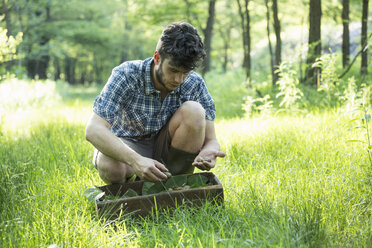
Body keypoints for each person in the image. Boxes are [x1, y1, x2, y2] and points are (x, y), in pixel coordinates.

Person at [85, 21, 225, 183]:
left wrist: (209, 150)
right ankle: (132, 190)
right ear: (157, 58)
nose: (179, 79)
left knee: (195, 110)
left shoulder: (194, 83)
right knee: (111, 166)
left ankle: (174, 186)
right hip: (128, 145)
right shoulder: (127, 74)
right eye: (173, 70)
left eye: (185, 72)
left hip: (167, 148)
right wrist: (136, 161)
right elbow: (93, 130)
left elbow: (211, 140)